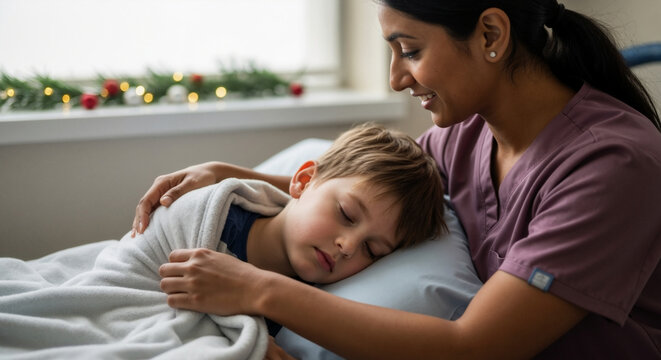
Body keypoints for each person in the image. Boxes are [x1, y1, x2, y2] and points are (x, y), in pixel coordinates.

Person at [136, 1, 661, 358]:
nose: (395, 77)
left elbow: (474, 348)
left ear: (491, 35)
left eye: (409, 50)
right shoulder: (468, 134)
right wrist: (229, 174)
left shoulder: (612, 167)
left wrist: (260, 292)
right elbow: (359, 184)